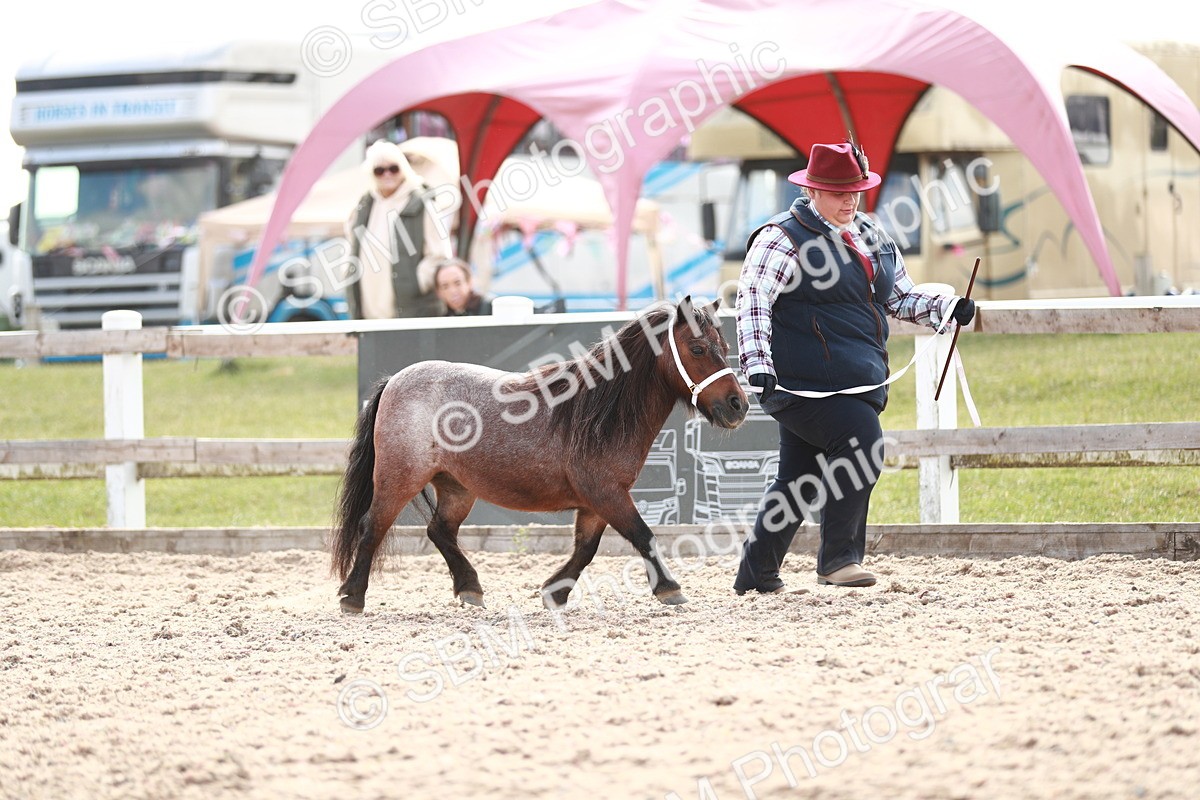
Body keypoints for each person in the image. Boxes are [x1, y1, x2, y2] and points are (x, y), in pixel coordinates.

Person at [734, 141, 975, 593]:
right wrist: (757, 363)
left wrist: (946, 306)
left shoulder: (873, 236)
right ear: (813, 190)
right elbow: (752, 299)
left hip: (853, 379)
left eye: (856, 191)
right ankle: (839, 560)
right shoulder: (780, 238)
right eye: (839, 192)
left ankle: (756, 575)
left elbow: (899, 297)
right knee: (863, 444)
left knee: (798, 478)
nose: (850, 200)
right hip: (801, 386)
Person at [343, 140, 453, 318]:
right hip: (369, 311)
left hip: (412, 311)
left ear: (403, 168)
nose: (387, 174)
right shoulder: (365, 205)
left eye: (393, 168)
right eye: (379, 170)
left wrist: (416, 282)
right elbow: (351, 246)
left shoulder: (423, 204)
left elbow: (440, 254)